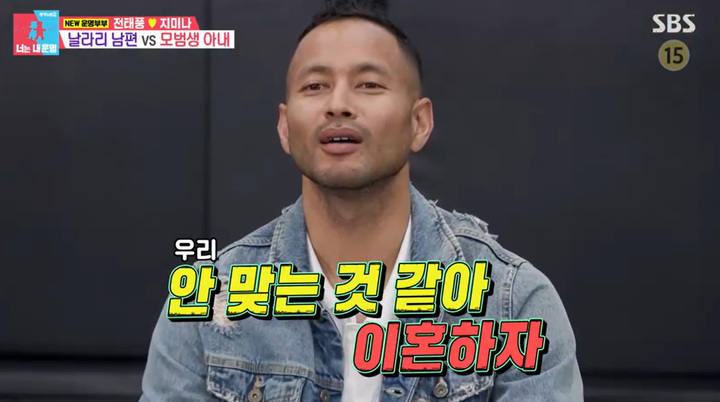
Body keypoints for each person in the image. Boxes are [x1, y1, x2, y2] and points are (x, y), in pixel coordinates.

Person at [139, 1, 584, 401]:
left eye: (368, 84)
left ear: (419, 123)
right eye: (315, 86)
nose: (338, 104)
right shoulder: (208, 304)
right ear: (284, 127)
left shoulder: (511, 303)